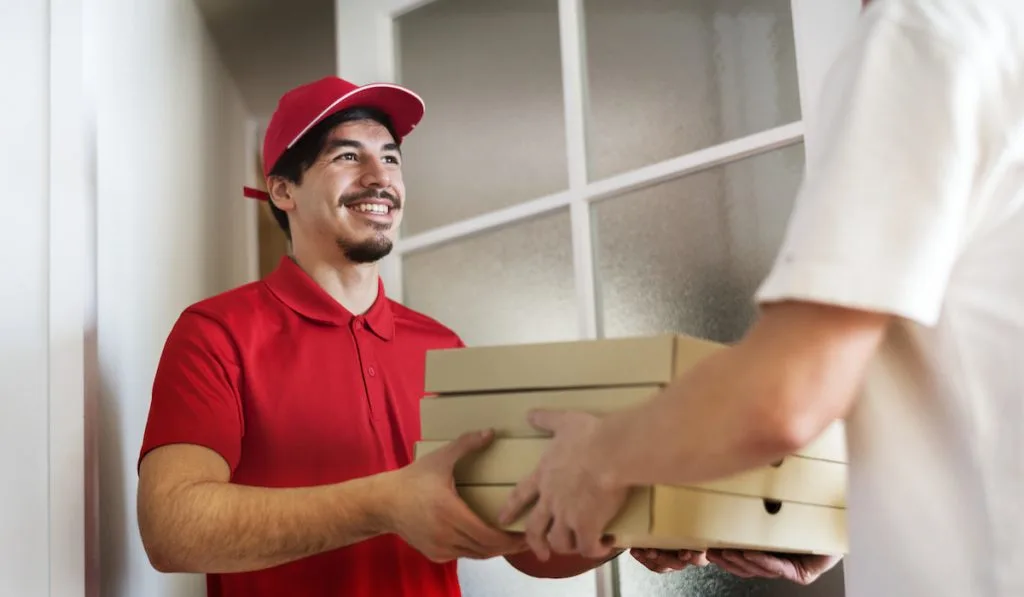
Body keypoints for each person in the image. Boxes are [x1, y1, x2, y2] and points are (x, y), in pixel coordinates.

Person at [499, 0, 1024, 596]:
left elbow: (787, 396)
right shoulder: (999, 33)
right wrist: (839, 518)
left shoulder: (922, 30)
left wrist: (599, 458)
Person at [135, 75, 619, 597]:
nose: (378, 178)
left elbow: (522, 538)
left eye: (390, 159)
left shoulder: (442, 348)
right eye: (347, 157)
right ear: (282, 189)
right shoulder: (216, 334)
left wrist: (632, 525)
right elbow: (172, 529)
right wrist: (383, 503)